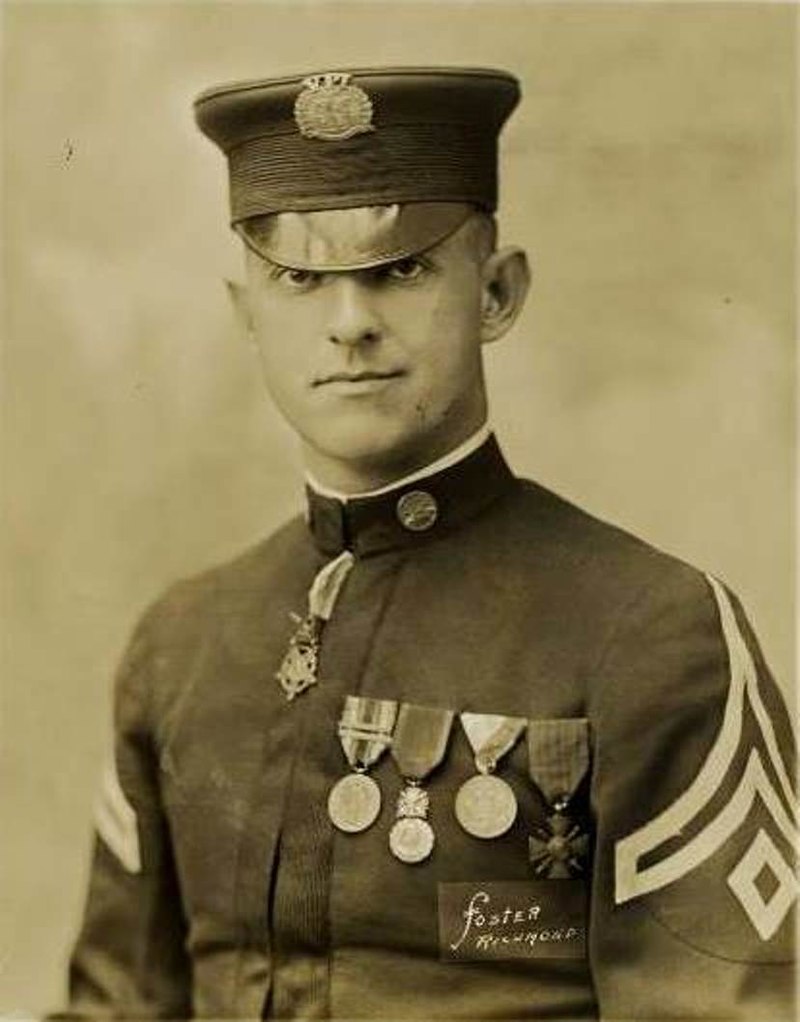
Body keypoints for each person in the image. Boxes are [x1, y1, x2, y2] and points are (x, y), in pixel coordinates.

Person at [58, 67, 795, 1021]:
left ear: (496, 292)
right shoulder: (184, 644)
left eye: (401, 270)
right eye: (300, 279)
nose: (350, 323)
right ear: (248, 316)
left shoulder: (653, 633)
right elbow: (116, 1008)